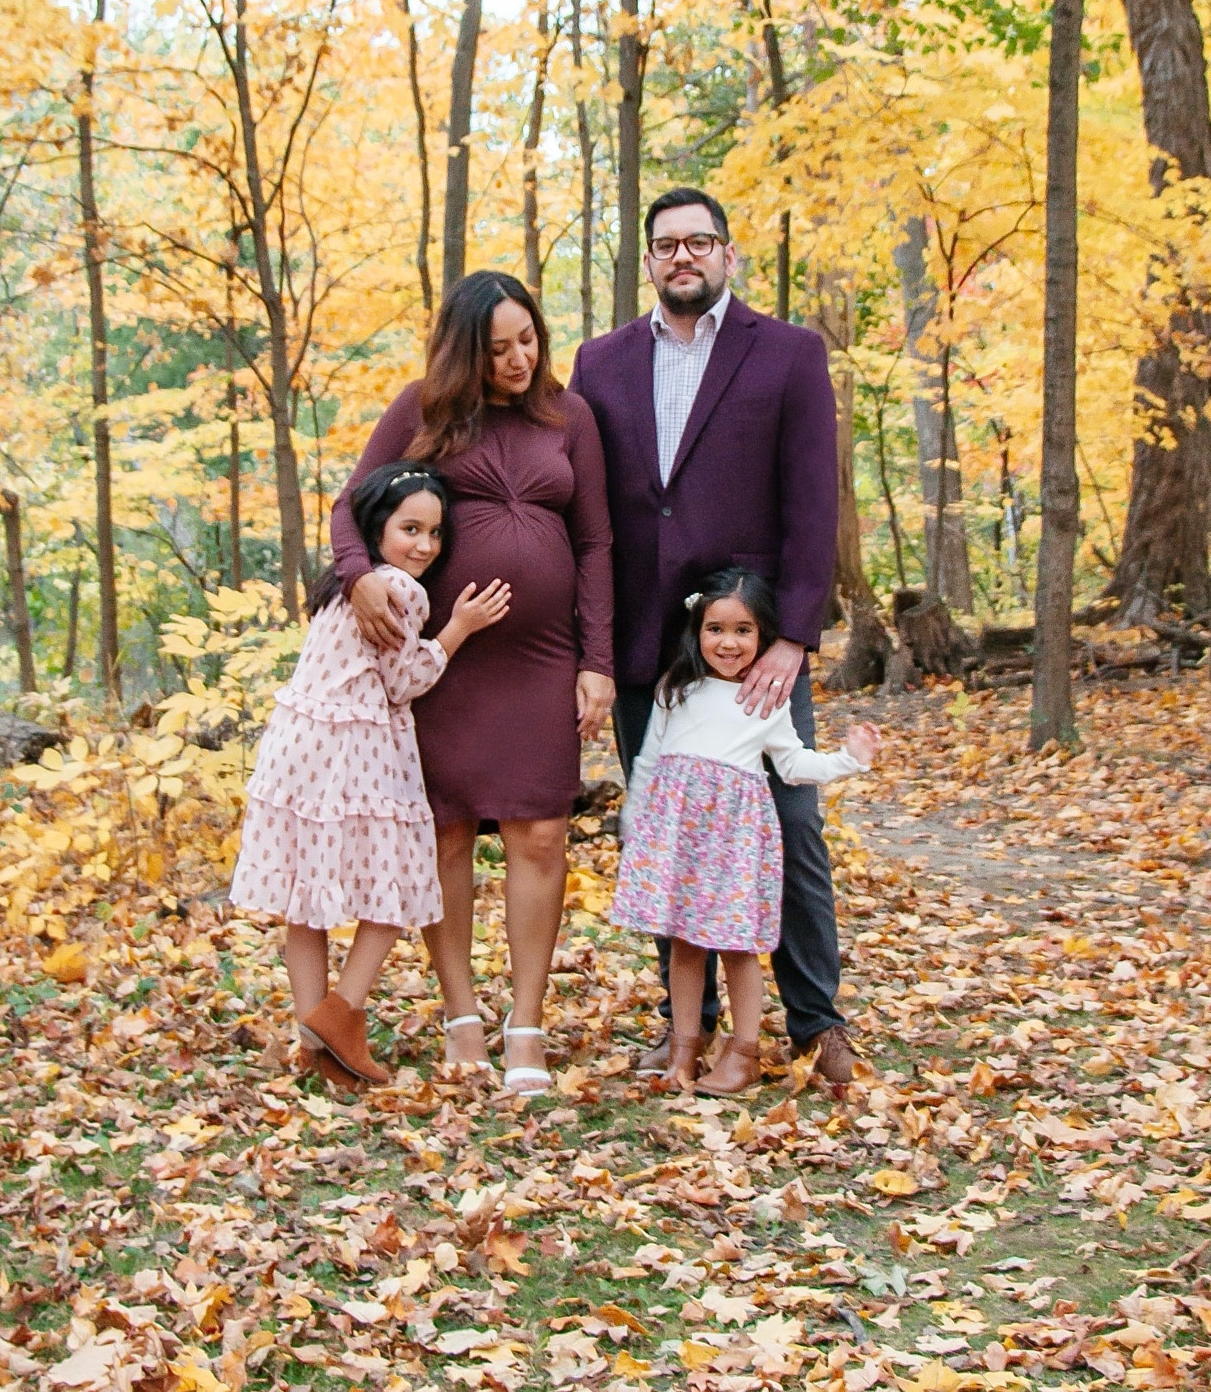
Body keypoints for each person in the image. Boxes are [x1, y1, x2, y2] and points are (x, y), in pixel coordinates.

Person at [570, 185, 859, 1084]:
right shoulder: (600, 362)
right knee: (666, 827)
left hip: (749, 642)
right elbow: (591, 509)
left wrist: (793, 637)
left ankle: (816, 1019)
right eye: (666, 245)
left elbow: (814, 503)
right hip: (649, 642)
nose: (682, 257)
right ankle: (683, 1025)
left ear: (729, 256)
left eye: (700, 243)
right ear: (648, 260)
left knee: (792, 822)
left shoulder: (788, 354)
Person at [333, 271, 614, 1097]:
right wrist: (359, 579)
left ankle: (525, 1021)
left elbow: (596, 542)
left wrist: (596, 659)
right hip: (444, 660)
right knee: (448, 833)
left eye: (527, 339)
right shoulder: (422, 407)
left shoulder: (570, 416)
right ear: (465, 352)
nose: (520, 358)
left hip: (540, 662)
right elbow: (352, 507)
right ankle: (461, 1016)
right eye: (497, 349)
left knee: (540, 834)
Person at [229, 460, 510, 1090]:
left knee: (307, 897)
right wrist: (459, 628)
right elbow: (403, 680)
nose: (424, 546)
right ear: (377, 526)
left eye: (435, 534)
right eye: (410, 528)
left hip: (297, 745)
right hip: (357, 749)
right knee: (399, 881)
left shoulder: (339, 583)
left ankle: (315, 1045)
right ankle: (341, 1014)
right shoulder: (402, 591)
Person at [611, 571, 880, 1095]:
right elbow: (646, 761)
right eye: (715, 629)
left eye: (743, 630)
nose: (728, 643)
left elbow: (794, 764)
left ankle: (744, 1052)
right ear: (697, 631)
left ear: (763, 637)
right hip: (680, 840)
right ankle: (686, 1047)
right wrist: (635, 821)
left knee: (737, 946)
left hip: (733, 843)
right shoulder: (675, 689)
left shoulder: (766, 700)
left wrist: (850, 760)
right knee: (685, 942)